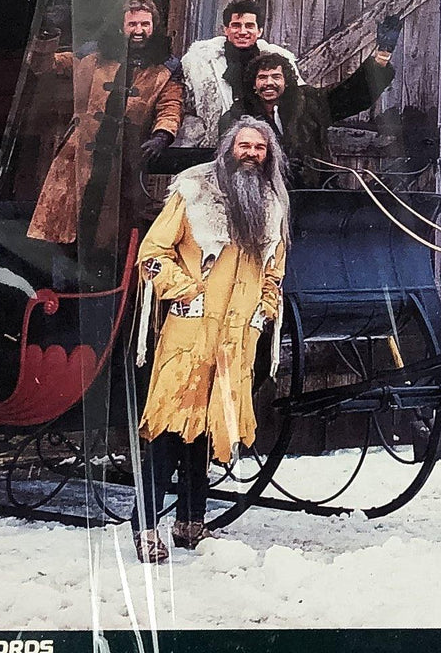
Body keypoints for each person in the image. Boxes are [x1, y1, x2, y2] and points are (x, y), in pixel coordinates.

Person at [131, 116, 290, 563]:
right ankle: (144, 527)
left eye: (260, 148)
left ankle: (190, 524)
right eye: (245, 145)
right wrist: (187, 290)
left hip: (236, 340)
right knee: (167, 428)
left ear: (269, 155)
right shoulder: (194, 190)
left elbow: (273, 270)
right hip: (190, 332)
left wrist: (265, 310)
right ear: (228, 148)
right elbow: (153, 252)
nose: (252, 154)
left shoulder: (272, 203)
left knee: (207, 430)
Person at [25, 0, 182, 256]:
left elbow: (171, 106)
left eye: (145, 24)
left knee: (108, 240)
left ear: (154, 25)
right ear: (122, 26)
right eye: (133, 24)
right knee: (64, 232)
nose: (139, 31)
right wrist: (47, 32)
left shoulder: (165, 68)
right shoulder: (95, 56)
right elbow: (45, 66)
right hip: (80, 155)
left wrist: (162, 135)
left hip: (123, 161)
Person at [219, 15, 403, 186]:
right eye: (263, 77)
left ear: (287, 81)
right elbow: (228, 164)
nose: (269, 83)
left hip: (312, 193)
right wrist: (276, 164)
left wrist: (382, 55)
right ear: (254, 83)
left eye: (276, 77)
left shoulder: (308, 102)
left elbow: (350, 96)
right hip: (262, 197)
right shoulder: (237, 116)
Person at [177, 0, 302, 147]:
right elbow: (183, 105)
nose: (242, 32)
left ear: (259, 31)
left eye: (249, 26)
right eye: (236, 25)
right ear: (226, 29)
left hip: (265, 143)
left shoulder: (278, 61)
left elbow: (297, 102)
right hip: (215, 144)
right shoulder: (200, 62)